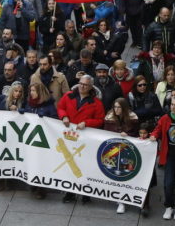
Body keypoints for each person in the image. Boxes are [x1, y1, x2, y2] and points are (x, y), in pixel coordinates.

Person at [57, 74, 105, 204]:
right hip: (69, 138)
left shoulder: (96, 103)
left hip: (85, 140)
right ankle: (70, 193)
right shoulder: (68, 96)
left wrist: (87, 122)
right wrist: (64, 117)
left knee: (85, 166)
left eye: (85, 85)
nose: (82, 86)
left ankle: (86, 194)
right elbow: (60, 107)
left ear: (90, 87)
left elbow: (100, 120)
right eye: (81, 83)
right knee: (70, 165)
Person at [103, 97, 139, 214]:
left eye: (119, 107)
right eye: (115, 107)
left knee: (125, 175)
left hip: (127, 151)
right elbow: (106, 133)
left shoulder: (132, 119)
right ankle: (120, 201)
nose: (116, 109)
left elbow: (136, 133)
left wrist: (127, 135)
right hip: (113, 152)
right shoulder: (109, 118)